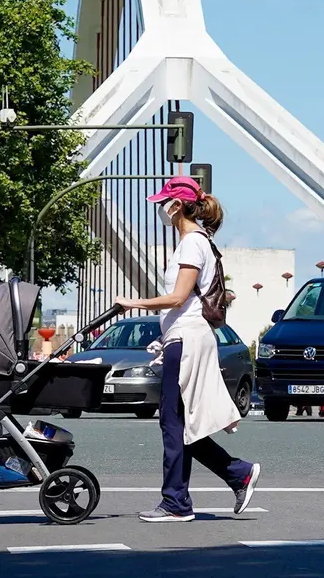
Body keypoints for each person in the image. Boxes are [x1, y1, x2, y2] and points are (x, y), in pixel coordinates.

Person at [114, 176, 261, 523]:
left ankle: (177, 502)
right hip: (185, 339)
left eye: (164, 202)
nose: (160, 209)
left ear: (177, 206)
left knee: (172, 422)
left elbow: (179, 298)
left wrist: (131, 303)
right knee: (179, 423)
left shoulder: (192, 243)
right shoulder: (197, 242)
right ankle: (233, 475)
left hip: (188, 341)